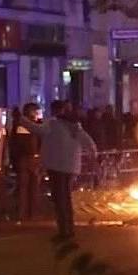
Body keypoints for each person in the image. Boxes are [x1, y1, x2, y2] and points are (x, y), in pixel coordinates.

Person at [42, 101, 97, 244]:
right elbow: (89, 142)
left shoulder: (54, 124)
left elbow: (38, 130)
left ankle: (64, 231)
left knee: (60, 200)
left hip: (57, 167)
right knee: (65, 199)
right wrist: (93, 155)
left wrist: (22, 120)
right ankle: (68, 230)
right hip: (69, 168)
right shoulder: (75, 126)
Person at [9, 102, 45, 221]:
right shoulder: (28, 126)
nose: (39, 114)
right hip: (28, 159)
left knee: (26, 188)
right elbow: (26, 144)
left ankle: (24, 214)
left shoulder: (20, 125)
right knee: (31, 187)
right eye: (37, 111)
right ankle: (30, 214)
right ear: (31, 112)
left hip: (25, 159)